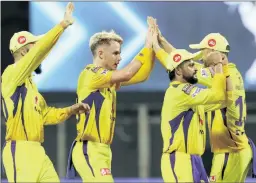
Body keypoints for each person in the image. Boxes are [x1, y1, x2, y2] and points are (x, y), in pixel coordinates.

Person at [1, 2, 90, 182]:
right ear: (24, 50)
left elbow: (45, 115)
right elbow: (40, 52)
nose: (38, 48)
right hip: (19, 151)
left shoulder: (30, 85)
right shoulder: (10, 74)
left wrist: (71, 110)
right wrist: (62, 25)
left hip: (38, 151)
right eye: (34, 45)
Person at [66, 18, 156, 182]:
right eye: (115, 53)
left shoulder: (107, 80)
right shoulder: (92, 73)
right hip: (89, 149)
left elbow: (142, 75)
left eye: (119, 53)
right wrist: (146, 47)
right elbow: (127, 73)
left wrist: (153, 48)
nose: (120, 58)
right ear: (100, 53)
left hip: (103, 150)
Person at [148, 17, 233, 183]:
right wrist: (218, 69)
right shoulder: (181, 92)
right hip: (179, 160)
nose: (196, 68)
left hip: (195, 160)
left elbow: (222, 100)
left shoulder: (192, 94)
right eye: (191, 66)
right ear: (179, 72)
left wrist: (159, 44)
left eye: (195, 64)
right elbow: (217, 96)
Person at [189, 33, 256, 182]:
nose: (201, 55)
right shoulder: (233, 73)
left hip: (230, 151)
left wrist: (159, 48)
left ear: (214, 53)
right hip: (237, 148)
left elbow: (183, 66)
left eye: (204, 51)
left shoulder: (222, 75)